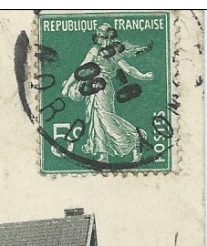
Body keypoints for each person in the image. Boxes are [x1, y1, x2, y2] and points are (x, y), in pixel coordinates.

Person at [61, 24, 155, 163]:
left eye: (102, 35)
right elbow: (81, 69)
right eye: (98, 35)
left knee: (106, 118)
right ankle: (102, 154)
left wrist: (144, 76)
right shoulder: (95, 50)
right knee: (96, 119)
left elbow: (128, 69)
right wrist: (68, 85)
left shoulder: (115, 53)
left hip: (103, 88)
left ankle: (135, 138)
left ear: (110, 36)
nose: (100, 38)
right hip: (91, 87)